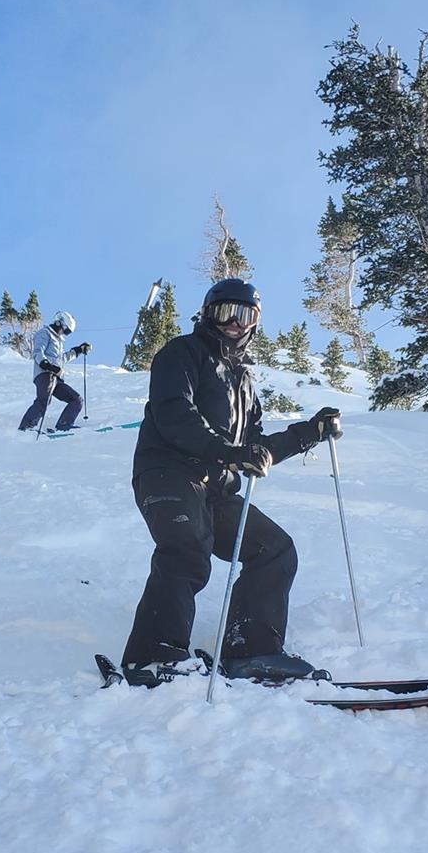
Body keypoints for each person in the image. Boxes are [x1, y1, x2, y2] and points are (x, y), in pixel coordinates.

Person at [120, 278, 343, 687]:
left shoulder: (244, 384)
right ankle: (153, 658)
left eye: (247, 316)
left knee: (274, 549)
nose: (235, 324)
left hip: (216, 487)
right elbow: (174, 416)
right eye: (227, 312)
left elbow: (255, 447)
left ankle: (251, 650)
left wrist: (309, 432)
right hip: (167, 472)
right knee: (186, 550)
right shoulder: (181, 354)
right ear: (208, 313)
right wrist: (227, 452)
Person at [17, 311, 92, 432]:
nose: (65, 334)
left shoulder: (58, 341)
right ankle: (26, 427)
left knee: (76, 400)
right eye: (66, 330)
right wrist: (47, 365)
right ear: (59, 323)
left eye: (68, 332)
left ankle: (64, 424)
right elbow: (37, 352)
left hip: (56, 377)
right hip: (45, 374)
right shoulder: (45, 333)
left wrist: (78, 350)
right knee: (43, 400)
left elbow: (62, 359)